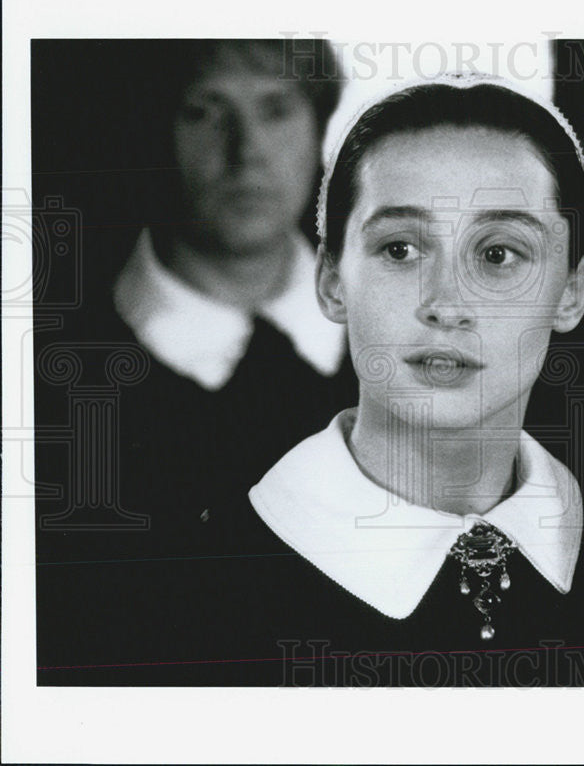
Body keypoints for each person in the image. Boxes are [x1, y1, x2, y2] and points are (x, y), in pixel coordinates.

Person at [175, 77, 584, 687]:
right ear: (331, 281)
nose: (446, 302)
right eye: (400, 249)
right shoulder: (193, 585)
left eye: (500, 254)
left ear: (573, 290)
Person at [35, 40, 358, 684]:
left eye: (275, 110)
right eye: (204, 112)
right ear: (151, 128)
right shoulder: (51, 392)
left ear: (320, 128)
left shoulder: (416, 348)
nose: (246, 153)